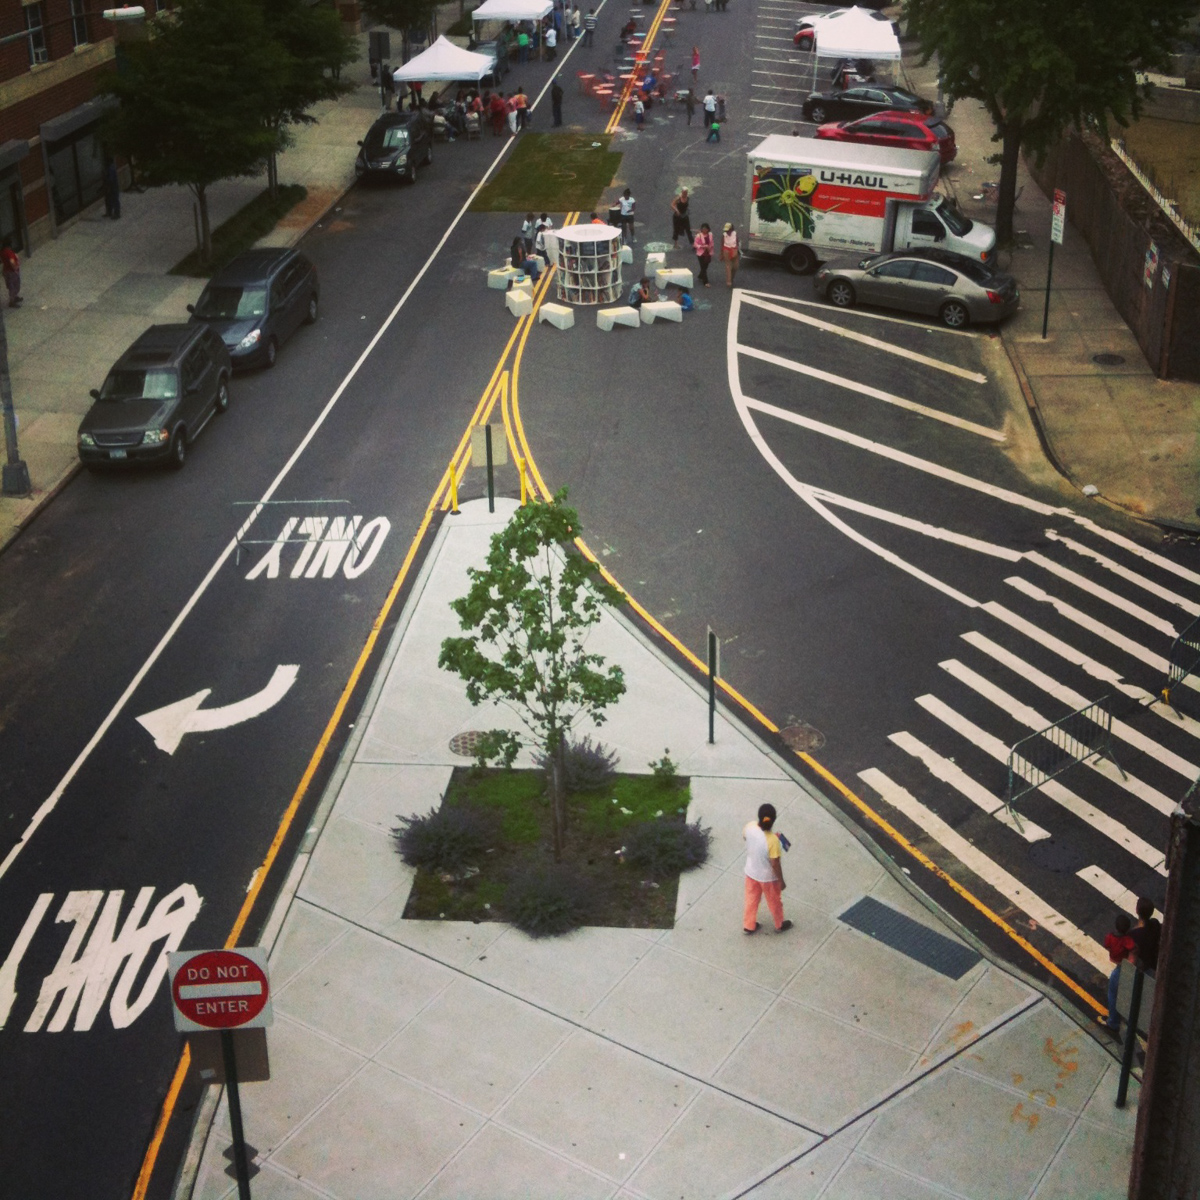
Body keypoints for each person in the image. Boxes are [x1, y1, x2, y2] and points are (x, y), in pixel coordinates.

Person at [743, 803, 792, 934]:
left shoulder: (750, 826)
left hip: (751, 872)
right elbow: (775, 863)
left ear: (759, 817)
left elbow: (745, 838)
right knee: (774, 901)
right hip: (768, 878)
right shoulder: (773, 841)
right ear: (773, 820)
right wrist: (781, 881)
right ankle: (779, 924)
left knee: (751, 899)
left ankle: (749, 924)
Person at [1099, 912, 1136, 1034]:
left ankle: (1113, 1022)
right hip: (1125, 966)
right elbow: (1133, 949)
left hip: (1120, 967)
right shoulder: (1127, 940)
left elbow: (1107, 946)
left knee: (1112, 993)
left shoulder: (1109, 937)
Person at [1130, 896, 1161, 973]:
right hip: (1156, 959)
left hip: (1147, 965)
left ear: (1137, 910)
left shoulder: (1133, 935)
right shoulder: (1155, 923)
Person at [1, 238, 21, 308]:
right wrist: (15, 267)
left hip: (6, 271)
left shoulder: (2, 252)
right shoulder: (9, 252)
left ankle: (14, 298)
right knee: (15, 286)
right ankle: (12, 301)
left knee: (11, 286)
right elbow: (12, 261)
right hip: (12, 272)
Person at [693, 222, 714, 287]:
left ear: (708, 229)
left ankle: (700, 275)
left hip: (708, 252)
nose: (704, 230)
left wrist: (710, 248)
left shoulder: (710, 235)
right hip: (701, 253)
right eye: (703, 229)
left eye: (705, 229)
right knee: (703, 267)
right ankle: (705, 282)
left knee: (705, 266)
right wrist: (702, 247)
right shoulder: (699, 236)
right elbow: (695, 244)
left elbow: (712, 243)